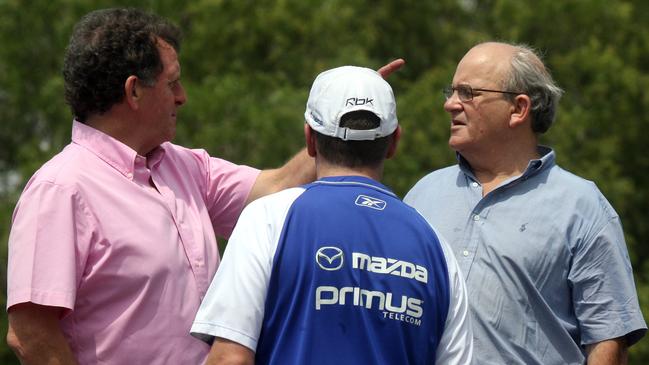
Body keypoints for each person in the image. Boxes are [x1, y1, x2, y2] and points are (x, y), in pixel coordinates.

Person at [4, 8, 403, 364]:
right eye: (172, 83)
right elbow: (29, 334)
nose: (183, 97)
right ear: (133, 91)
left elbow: (278, 184)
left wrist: (340, 124)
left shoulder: (183, 166)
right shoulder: (60, 189)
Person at [190, 65, 473, 365]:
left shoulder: (268, 218)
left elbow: (229, 359)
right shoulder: (436, 246)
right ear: (393, 143)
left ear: (310, 139)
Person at [404, 41, 647, 364]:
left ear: (518, 108)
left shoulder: (582, 206)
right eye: (450, 91)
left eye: (467, 93)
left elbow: (608, 342)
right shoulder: (423, 193)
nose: (450, 104)